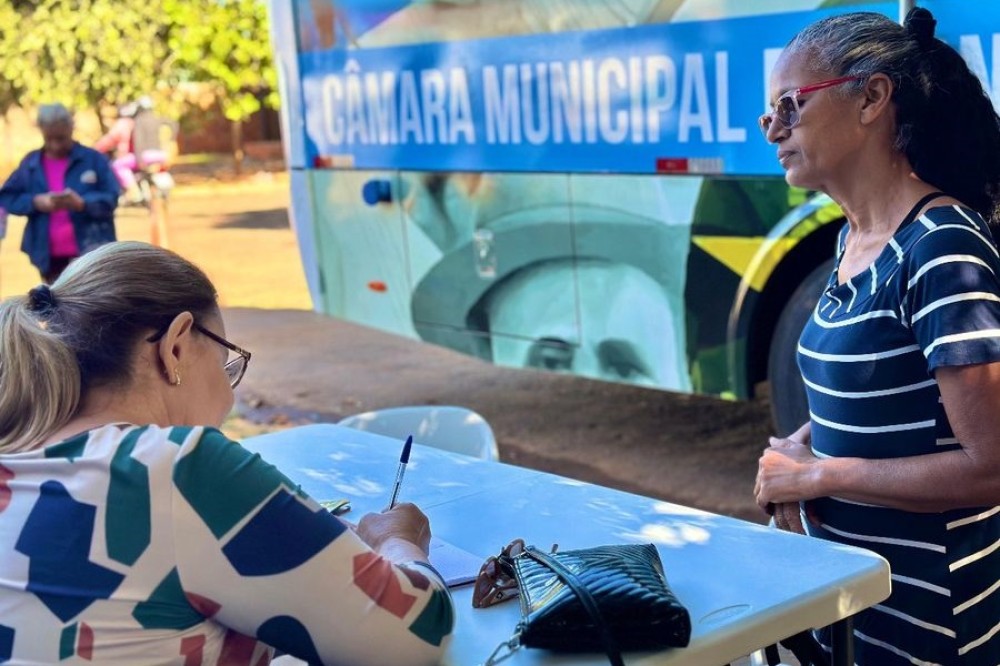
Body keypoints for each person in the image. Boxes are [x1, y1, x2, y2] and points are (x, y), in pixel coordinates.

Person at [0, 241, 454, 664]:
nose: (231, 394)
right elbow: (415, 637)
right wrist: (398, 539)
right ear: (176, 346)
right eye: (226, 362)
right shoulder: (178, 463)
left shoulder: (19, 456)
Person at [753, 8, 1000, 665]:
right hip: (864, 609)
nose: (773, 127)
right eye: (767, 112)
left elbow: (991, 466)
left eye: (790, 105)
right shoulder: (850, 241)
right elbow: (885, 391)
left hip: (933, 623)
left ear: (871, 98)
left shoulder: (941, 247)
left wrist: (817, 476)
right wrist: (797, 451)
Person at [0, 104, 120, 284]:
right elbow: (7, 197)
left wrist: (82, 203)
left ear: (71, 128)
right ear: (41, 131)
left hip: (91, 251)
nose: (55, 145)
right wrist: (35, 202)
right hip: (48, 255)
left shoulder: (93, 160)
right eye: (49, 139)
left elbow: (112, 196)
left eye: (61, 138)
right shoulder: (31, 164)